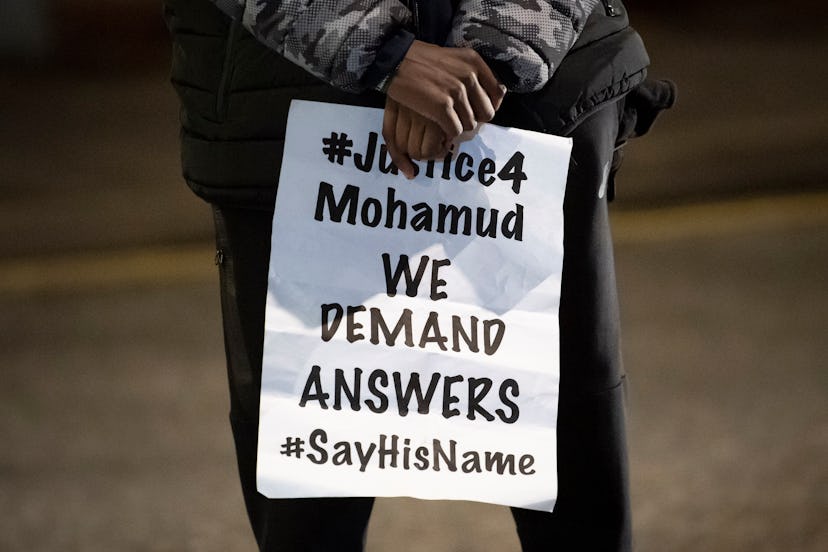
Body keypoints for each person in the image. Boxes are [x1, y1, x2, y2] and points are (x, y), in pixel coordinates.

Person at [164, 1, 674, 550]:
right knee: (308, 497)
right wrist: (386, 53)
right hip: (293, 100)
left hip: (530, 96)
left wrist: (483, 57)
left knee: (568, 470)